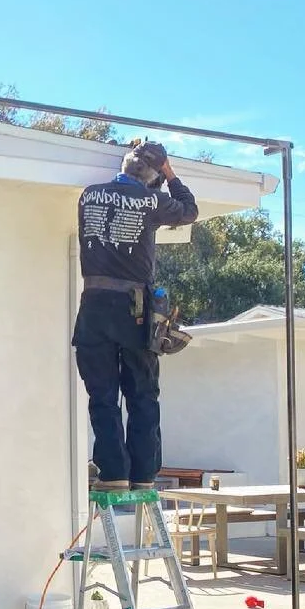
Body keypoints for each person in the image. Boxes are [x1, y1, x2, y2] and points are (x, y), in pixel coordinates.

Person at [73, 140, 198, 492]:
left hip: (94, 305)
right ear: (153, 177)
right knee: (142, 392)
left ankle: (112, 473)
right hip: (136, 310)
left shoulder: (89, 195)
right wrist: (169, 172)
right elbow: (189, 210)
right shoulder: (153, 200)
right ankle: (143, 474)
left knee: (102, 394)